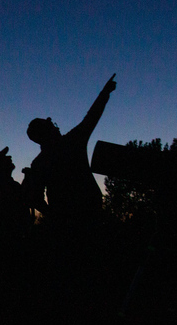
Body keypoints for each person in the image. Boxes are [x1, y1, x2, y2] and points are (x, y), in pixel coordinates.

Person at [26, 74, 117, 226]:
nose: (56, 126)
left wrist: (55, 216)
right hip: (90, 218)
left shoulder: (39, 163)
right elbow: (91, 117)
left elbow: (36, 199)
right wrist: (104, 93)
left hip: (66, 224)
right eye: (52, 125)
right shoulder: (72, 141)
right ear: (47, 132)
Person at [0, 147, 36, 233]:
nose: (9, 157)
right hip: (15, 236)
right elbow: (21, 203)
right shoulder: (1, 187)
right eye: (4, 158)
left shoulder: (5, 184)